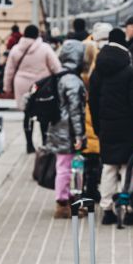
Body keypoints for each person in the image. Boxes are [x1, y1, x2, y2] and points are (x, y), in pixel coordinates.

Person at [89, 28, 133, 225]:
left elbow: (93, 102)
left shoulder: (98, 71)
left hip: (106, 126)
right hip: (128, 127)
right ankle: (127, 208)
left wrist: (98, 126)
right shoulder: (130, 71)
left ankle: (107, 210)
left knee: (108, 167)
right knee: (127, 168)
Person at [45, 40, 86, 218]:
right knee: (65, 167)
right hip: (67, 130)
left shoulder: (59, 75)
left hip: (56, 127)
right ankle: (62, 202)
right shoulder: (73, 80)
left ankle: (68, 199)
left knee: (64, 165)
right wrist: (79, 134)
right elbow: (76, 111)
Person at [3, 24, 61, 153]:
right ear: (37, 35)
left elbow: (9, 70)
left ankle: (29, 144)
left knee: (27, 114)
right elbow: (56, 68)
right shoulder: (45, 48)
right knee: (43, 115)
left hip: (22, 85)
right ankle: (45, 143)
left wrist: (7, 87)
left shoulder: (16, 49)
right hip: (42, 86)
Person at [80, 22, 112, 202]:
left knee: (88, 155)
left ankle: (87, 189)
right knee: (96, 155)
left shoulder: (82, 51)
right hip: (98, 109)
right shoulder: (104, 56)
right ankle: (93, 188)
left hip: (84, 109)